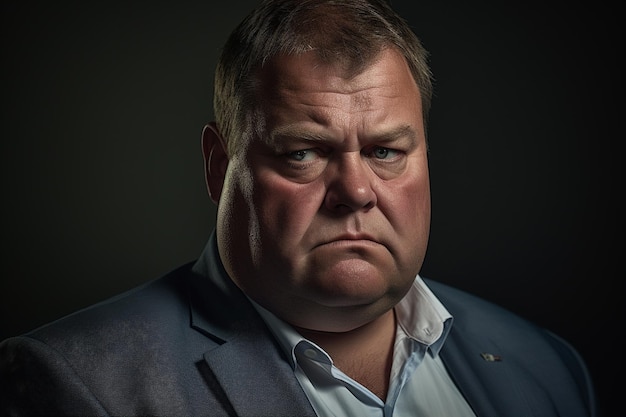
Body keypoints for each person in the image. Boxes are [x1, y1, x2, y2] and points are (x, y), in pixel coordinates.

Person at [0, 1, 598, 416]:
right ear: (218, 166)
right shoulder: (79, 386)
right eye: (305, 153)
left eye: (386, 150)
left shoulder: (545, 365)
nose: (356, 192)